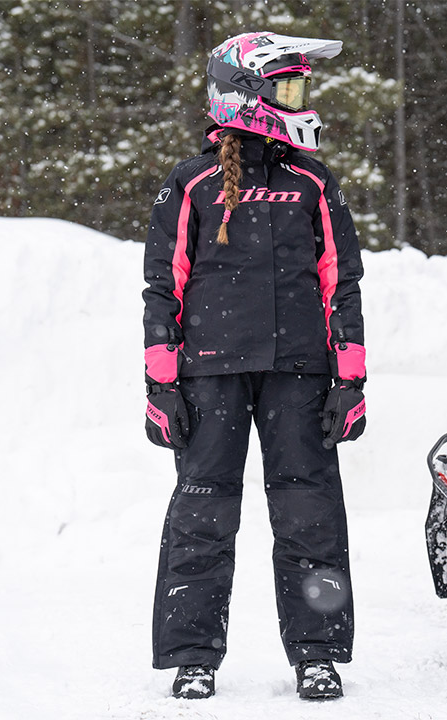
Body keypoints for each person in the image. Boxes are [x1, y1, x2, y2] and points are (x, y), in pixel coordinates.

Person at [141, 31, 367, 702]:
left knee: (310, 516)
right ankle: (192, 656)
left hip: (300, 374)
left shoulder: (312, 183)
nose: (302, 99)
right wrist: (160, 382)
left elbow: (342, 284)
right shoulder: (192, 183)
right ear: (247, 95)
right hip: (208, 375)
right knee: (202, 515)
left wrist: (350, 376)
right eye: (291, 87)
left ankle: (318, 654)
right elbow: (163, 286)